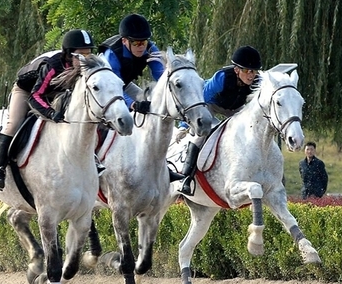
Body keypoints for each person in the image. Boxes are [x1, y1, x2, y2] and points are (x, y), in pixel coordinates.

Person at [0, 29, 96, 192]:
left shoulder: (83, 68)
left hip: (57, 92)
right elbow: (35, 96)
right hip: (27, 90)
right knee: (14, 123)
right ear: (68, 54)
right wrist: (52, 113)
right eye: (81, 55)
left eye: (88, 55)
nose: (85, 60)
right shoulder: (52, 67)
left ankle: (92, 158)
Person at [178, 46, 262, 195]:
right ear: (236, 70)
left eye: (254, 71)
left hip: (236, 108)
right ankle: (186, 177)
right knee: (201, 134)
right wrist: (184, 125)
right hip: (210, 104)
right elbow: (200, 99)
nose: (251, 75)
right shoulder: (221, 78)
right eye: (248, 71)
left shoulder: (257, 82)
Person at [102, 14, 163, 115]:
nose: (141, 47)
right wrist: (132, 104)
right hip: (104, 87)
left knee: (150, 106)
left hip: (125, 85)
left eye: (143, 42)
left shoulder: (151, 49)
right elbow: (112, 88)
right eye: (136, 43)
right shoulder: (112, 56)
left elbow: (161, 76)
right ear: (124, 41)